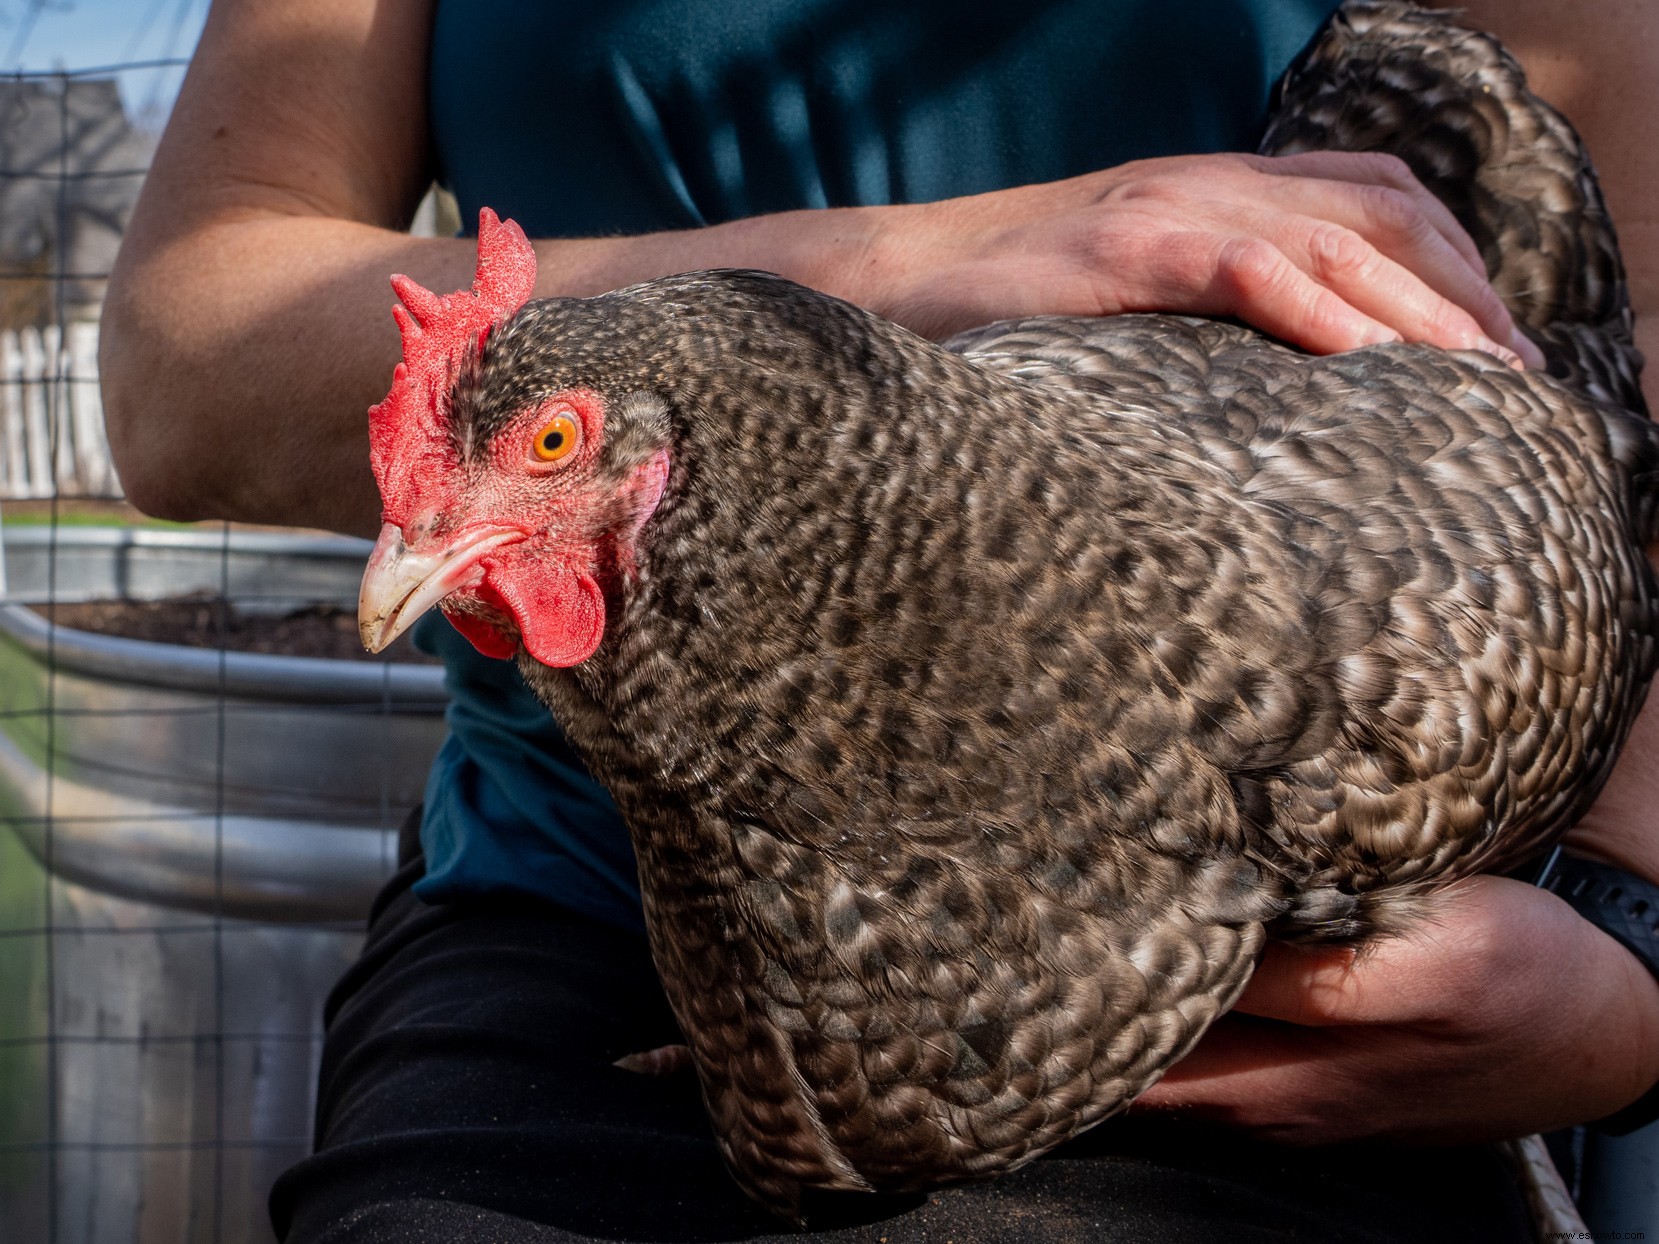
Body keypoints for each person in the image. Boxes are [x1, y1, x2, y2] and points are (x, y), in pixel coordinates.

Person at [99, 0, 1659, 1239]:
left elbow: (1623, 363)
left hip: (1234, 925)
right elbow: (184, 365)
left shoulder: (1342, 688)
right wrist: (923, 264)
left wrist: (1634, 960)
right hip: (578, 903)